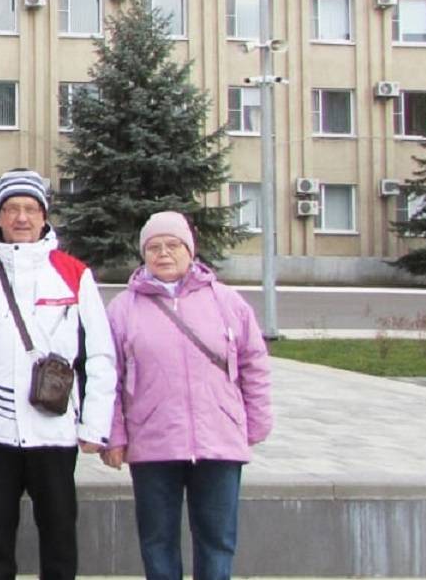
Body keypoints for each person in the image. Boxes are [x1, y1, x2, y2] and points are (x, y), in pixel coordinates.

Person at [0, 168, 117, 580]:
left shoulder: (74, 273)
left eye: (30, 209)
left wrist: (95, 425)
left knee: (59, 533)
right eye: (11, 209)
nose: (21, 218)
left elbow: (99, 354)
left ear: (44, 216)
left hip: (53, 431)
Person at [104, 212, 272, 580]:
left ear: (190, 249)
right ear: (143, 254)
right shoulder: (122, 309)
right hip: (153, 442)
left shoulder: (227, 302)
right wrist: (115, 435)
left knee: (217, 540)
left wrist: (256, 421)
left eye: (172, 245)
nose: (163, 253)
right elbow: (108, 377)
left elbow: (253, 362)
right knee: (157, 541)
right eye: (154, 247)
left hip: (217, 441)